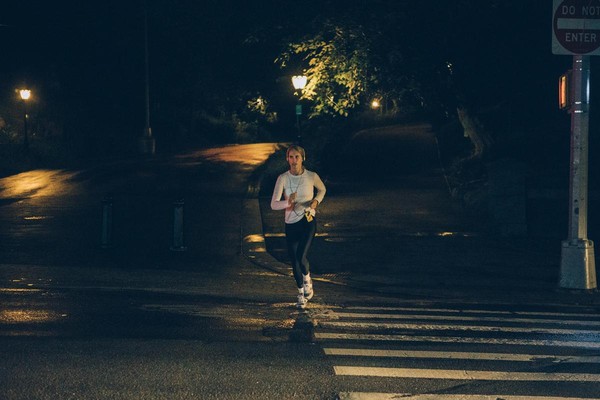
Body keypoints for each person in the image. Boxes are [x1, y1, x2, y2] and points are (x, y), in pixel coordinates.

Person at [271, 145, 326, 309]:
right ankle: (301, 293)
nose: (294, 160)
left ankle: (307, 279)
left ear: (303, 158)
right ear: (287, 159)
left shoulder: (311, 176)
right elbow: (273, 204)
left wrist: (316, 201)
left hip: (307, 220)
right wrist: (288, 202)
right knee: (294, 261)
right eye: (291, 157)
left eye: (297, 157)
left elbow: (322, 189)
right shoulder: (283, 178)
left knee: (301, 256)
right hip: (291, 223)